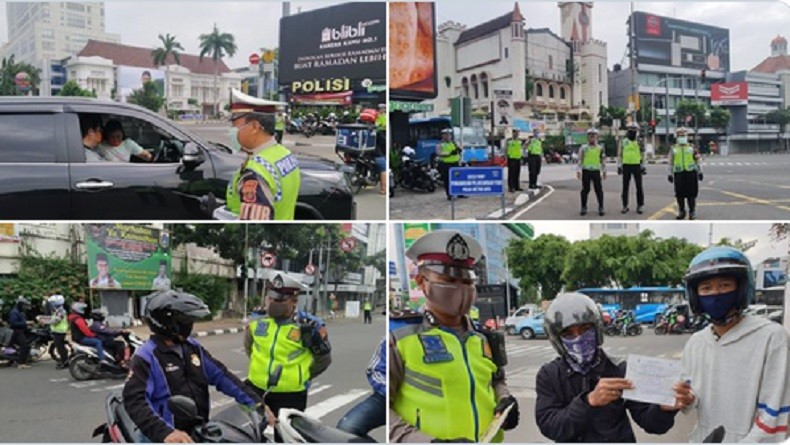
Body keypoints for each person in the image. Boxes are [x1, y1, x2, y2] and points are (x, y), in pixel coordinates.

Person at [390, 230, 519, 442]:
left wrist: (504, 400)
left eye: (467, 281)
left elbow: (497, 380)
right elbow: (383, 407)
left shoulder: (483, 337)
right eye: (448, 279)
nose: (460, 289)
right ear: (421, 282)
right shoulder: (399, 337)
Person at [674, 246, 790, 442]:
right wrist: (686, 398)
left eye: (725, 285)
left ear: (741, 289)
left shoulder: (771, 337)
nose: (715, 294)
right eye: (706, 288)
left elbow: (774, 416)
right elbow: (692, 395)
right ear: (696, 296)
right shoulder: (696, 342)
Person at [536, 292, 683, 442]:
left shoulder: (619, 369)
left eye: (585, 329)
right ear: (558, 340)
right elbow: (550, 426)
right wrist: (588, 402)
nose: (578, 338)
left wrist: (663, 409)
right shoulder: (549, 374)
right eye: (568, 334)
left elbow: (650, 422)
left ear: (597, 330)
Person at [123, 290, 267, 443]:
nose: (190, 325)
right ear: (167, 323)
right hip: (163, 436)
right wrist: (165, 433)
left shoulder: (192, 348)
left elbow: (222, 376)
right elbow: (134, 401)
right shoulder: (146, 356)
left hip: (197, 431)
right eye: (186, 321)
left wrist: (255, 403)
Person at [243, 273, 332, 442]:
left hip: (291, 395)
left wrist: (301, 374)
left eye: (280, 300)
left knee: (284, 439)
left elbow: (323, 359)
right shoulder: (257, 320)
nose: (273, 303)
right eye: (271, 298)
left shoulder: (309, 326)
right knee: (248, 436)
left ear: (294, 301)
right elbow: (249, 348)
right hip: (255, 389)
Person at [225, 97, 301, 220]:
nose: (231, 131)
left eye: (235, 125)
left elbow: (252, 224)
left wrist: (218, 214)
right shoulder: (285, 154)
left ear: (255, 126)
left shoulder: (255, 172)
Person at [337, 337, 386, 440]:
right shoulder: (392, 336)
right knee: (346, 429)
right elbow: (375, 370)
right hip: (387, 397)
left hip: (420, 400)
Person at [667, 127, 703, 220]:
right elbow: (670, 162)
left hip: (691, 172)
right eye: (679, 135)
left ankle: (692, 211)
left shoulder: (692, 147)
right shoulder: (673, 148)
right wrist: (669, 174)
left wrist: (700, 171)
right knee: (679, 194)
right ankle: (681, 211)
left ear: (686, 136)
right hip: (679, 173)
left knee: (691, 194)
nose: (681, 137)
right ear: (677, 137)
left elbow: (698, 159)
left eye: (683, 135)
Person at [577, 127, 607, 216]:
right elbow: (580, 160)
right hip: (586, 171)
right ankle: (583, 207)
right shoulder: (583, 148)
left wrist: (604, 171)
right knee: (585, 190)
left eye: (594, 135)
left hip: (596, 171)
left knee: (599, 190)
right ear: (587, 137)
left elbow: (603, 161)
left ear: (597, 137)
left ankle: (601, 207)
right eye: (590, 135)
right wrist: (578, 171)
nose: (592, 137)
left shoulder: (600, 148)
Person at [617, 122, 646, 214]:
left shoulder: (640, 141)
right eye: (631, 129)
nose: (632, 131)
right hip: (626, 166)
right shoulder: (623, 141)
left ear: (637, 131)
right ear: (627, 130)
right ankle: (625, 206)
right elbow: (619, 154)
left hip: (637, 166)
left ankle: (640, 205)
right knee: (625, 187)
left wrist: (644, 166)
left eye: (634, 130)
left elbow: (643, 154)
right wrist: (619, 166)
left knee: (639, 187)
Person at [39, 294, 70, 369]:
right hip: (57, 331)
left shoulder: (61, 311)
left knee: (60, 347)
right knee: (60, 347)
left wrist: (45, 322)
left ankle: (65, 361)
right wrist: (43, 319)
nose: (51, 304)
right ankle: (64, 361)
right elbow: (52, 318)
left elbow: (56, 320)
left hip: (60, 332)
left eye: (53, 303)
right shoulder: (57, 310)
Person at [437, 128, 462, 201]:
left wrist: (459, 149)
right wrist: (449, 154)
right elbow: (439, 153)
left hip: (455, 163)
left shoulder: (454, 143)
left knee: (458, 179)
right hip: (445, 164)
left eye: (449, 135)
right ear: (443, 136)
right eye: (446, 135)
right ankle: (449, 194)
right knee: (447, 180)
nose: (448, 136)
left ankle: (460, 193)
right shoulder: (440, 144)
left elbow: (459, 149)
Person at [8, 296, 32, 369]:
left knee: (24, 345)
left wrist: (27, 326)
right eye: (24, 305)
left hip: (21, 330)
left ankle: (13, 360)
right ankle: (21, 363)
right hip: (16, 331)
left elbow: (22, 322)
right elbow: (13, 323)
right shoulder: (14, 312)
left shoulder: (21, 312)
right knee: (24, 345)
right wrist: (26, 324)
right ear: (20, 304)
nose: (25, 307)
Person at [506, 129, 524, 193]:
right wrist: (506, 157)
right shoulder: (509, 141)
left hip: (518, 158)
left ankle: (517, 186)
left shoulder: (519, 141)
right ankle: (511, 187)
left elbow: (521, 149)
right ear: (513, 133)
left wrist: (521, 157)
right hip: (511, 159)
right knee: (511, 174)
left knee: (517, 173)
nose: (517, 134)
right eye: (516, 133)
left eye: (518, 133)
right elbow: (506, 149)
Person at [375, 105, 388, 196]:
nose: (384, 110)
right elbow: (383, 142)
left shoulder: (373, 120)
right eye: (383, 108)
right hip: (377, 153)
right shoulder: (379, 131)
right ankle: (383, 189)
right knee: (383, 168)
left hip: (367, 152)